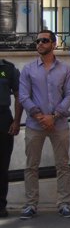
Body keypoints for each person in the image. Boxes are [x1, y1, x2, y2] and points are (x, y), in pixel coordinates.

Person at [18, 30, 70, 219]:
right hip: (35, 125)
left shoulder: (65, 69)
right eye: (38, 41)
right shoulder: (28, 69)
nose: (40, 43)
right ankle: (31, 204)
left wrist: (54, 115)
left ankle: (64, 203)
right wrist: (39, 115)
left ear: (53, 43)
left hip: (59, 124)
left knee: (63, 165)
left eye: (44, 40)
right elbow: (23, 96)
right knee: (31, 166)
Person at [0, 57, 22, 218]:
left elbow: (18, 95)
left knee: (2, 165)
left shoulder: (8, 69)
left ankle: (1, 205)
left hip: (3, 118)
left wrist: (16, 121)